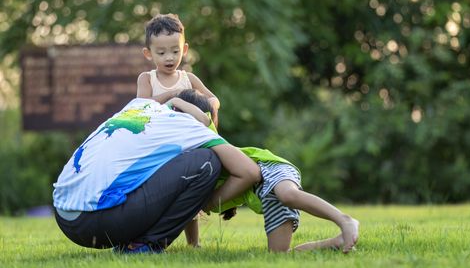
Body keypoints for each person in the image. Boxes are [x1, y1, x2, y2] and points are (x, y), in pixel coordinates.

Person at [53, 98, 260, 254]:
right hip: (97, 223)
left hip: (64, 217)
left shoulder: (137, 106)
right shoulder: (190, 124)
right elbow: (250, 172)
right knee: (208, 161)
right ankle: (145, 244)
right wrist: (205, 204)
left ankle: (133, 240)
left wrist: (174, 98)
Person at [171, 89, 360, 253]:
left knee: (288, 194)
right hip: (263, 196)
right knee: (279, 255)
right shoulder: (186, 159)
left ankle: (344, 220)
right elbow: (191, 206)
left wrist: (175, 101)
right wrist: (193, 244)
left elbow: (202, 118)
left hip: (268, 168)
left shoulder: (206, 134)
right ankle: (336, 242)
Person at [136, 13, 220, 126]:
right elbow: (140, 106)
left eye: (175, 51)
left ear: (184, 49)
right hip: (159, 133)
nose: (169, 58)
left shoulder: (188, 78)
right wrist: (172, 94)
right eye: (161, 53)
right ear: (148, 53)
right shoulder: (147, 79)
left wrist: (211, 104)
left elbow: (214, 99)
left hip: (187, 132)